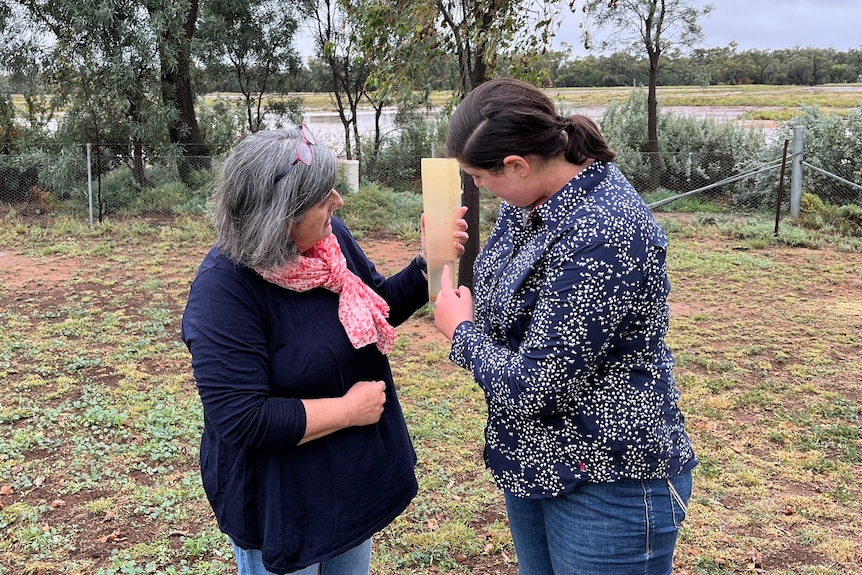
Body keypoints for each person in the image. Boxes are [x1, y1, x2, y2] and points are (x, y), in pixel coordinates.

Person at [433, 78, 698, 575]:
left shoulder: (607, 230)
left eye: (479, 176)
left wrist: (461, 335)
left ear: (517, 164)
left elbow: (536, 386)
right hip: (535, 462)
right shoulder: (529, 205)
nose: (480, 187)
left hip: (606, 477)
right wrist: (440, 256)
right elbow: (500, 308)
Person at [181, 126, 467, 575]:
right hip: (282, 500)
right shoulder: (224, 291)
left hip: (347, 480)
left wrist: (427, 263)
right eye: (322, 199)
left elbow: (373, 310)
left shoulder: (330, 244)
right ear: (278, 219)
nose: (337, 201)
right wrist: (349, 411)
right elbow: (242, 418)